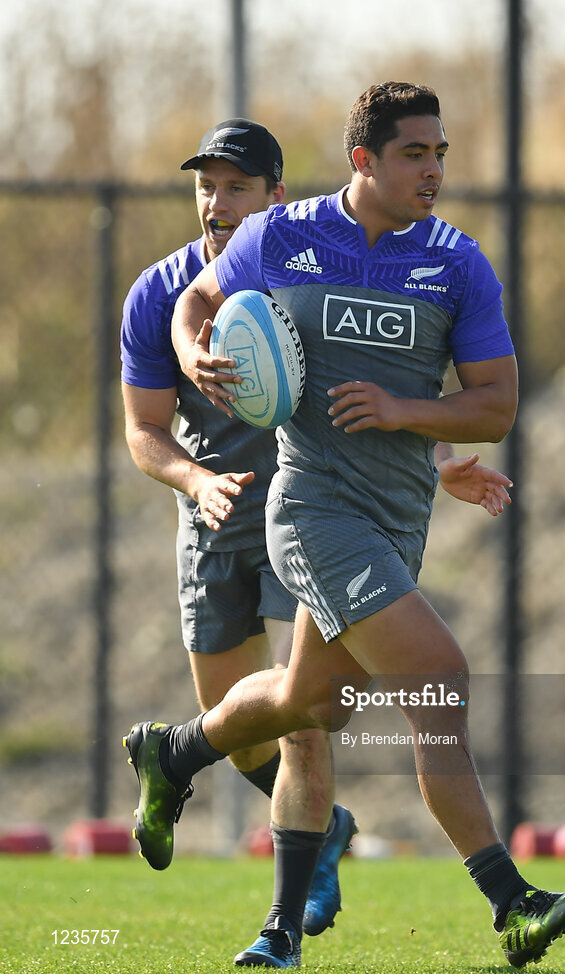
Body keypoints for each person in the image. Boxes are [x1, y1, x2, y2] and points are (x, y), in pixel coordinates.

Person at [125, 83, 565, 969]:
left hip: (397, 519)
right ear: (364, 161)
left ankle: (177, 759)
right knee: (439, 681)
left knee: (313, 704)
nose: (435, 170)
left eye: (442, 153)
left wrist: (405, 410)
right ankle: (512, 901)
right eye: (417, 154)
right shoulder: (287, 234)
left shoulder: (457, 262)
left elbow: (496, 405)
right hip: (310, 512)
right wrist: (197, 354)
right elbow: (196, 303)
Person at [119, 119, 358, 961]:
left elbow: (355, 398)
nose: (217, 205)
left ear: (274, 199)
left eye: (237, 188)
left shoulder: (307, 276)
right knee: (243, 727)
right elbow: (144, 431)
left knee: (303, 714)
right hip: (212, 516)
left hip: (304, 514)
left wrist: (437, 460)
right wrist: (195, 480)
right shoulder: (158, 293)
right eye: (206, 186)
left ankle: (286, 922)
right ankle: (189, 764)